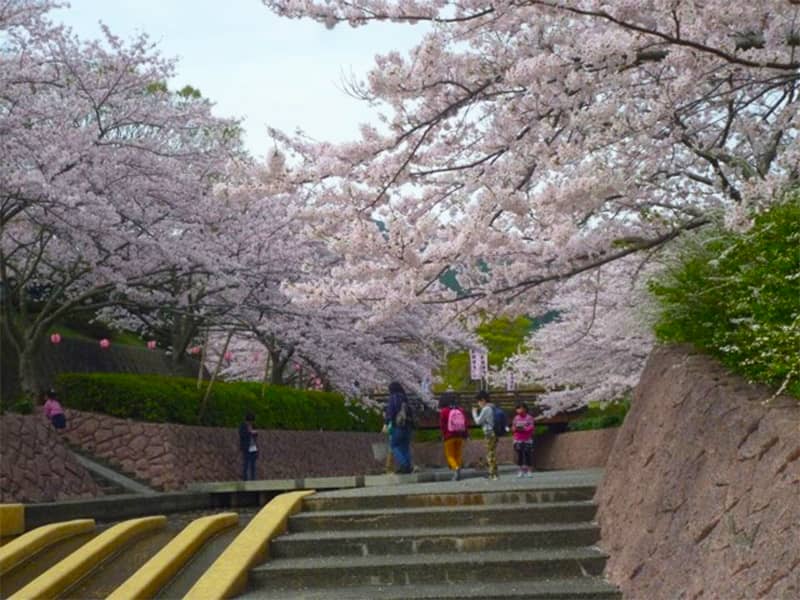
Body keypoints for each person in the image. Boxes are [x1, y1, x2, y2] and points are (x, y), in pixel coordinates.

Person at [383, 381, 414, 474]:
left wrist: (387, 422)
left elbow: (390, 412)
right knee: (405, 447)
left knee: (394, 445)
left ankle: (404, 464)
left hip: (399, 425)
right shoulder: (406, 398)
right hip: (408, 426)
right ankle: (408, 466)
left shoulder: (393, 398)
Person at [439, 391, 468, 480]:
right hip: (459, 435)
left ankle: (456, 469)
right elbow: (465, 423)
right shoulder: (460, 410)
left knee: (450, 455)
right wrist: (465, 434)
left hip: (449, 437)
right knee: (458, 454)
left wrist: (443, 435)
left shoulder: (444, 411)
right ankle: (458, 468)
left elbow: (442, 425)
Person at [472, 390, 498, 480]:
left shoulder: (486, 408)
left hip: (489, 433)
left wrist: (474, 413)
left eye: (478, 401)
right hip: (495, 432)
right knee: (492, 453)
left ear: (483, 400)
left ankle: (492, 474)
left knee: (490, 454)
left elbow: (478, 421)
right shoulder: (493, 407)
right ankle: (495, 473)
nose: (478, 403)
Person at [511, 402, 535, 477]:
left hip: (527, 439)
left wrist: (524, 429)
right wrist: (515, 429)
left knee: (528, 454)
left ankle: (529, 470)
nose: (519, 410)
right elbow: (513, 427)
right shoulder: (516, 418)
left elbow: (531, 427)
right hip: (518, 439)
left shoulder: (529, 417)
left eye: (521, 408)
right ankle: (520, 470)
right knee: (520, 455)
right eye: (518, 408)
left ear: (525, 409)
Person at [238, 412, 259, 481]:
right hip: (246, 447)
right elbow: (242, 435)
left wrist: (254, 432)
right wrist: (249, 432)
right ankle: (245, 479)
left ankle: (253, 479)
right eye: (249, 422)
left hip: (253, 447)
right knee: (246, 463)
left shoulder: (253, 426)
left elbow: (256, 434)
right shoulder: (242, 426)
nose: (250, 423)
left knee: (253, 464)